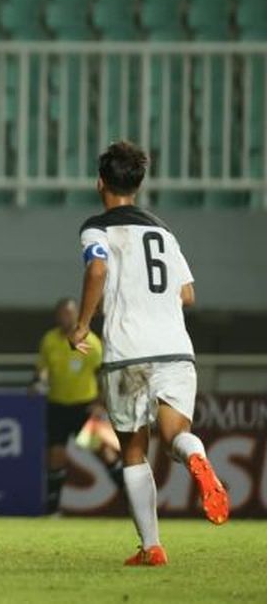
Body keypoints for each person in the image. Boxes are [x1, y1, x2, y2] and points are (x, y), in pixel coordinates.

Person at [69, 140, 229, 567]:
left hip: (127, 353)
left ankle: (152, 547)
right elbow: (188, 294)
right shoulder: (163, 232)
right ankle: (196, 456)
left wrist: (83, 323)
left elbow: (97, 268)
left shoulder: (97, 228)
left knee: (134, 451)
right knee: (176, 434)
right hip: (176, 349)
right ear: (138, 184)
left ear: (100, 182)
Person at [32, 297, 121, 514]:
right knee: (55, 456)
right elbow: (43, 368)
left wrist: (100, 404)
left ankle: (133, 500)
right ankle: (52, 511)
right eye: (62, 314)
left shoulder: (90, 342)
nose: (66, 318)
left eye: (70, 314)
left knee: (104, 452)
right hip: (58, 406)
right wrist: (39, 380)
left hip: (85, 407)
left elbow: (105, 376)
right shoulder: (50, 340)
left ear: (78, 315)